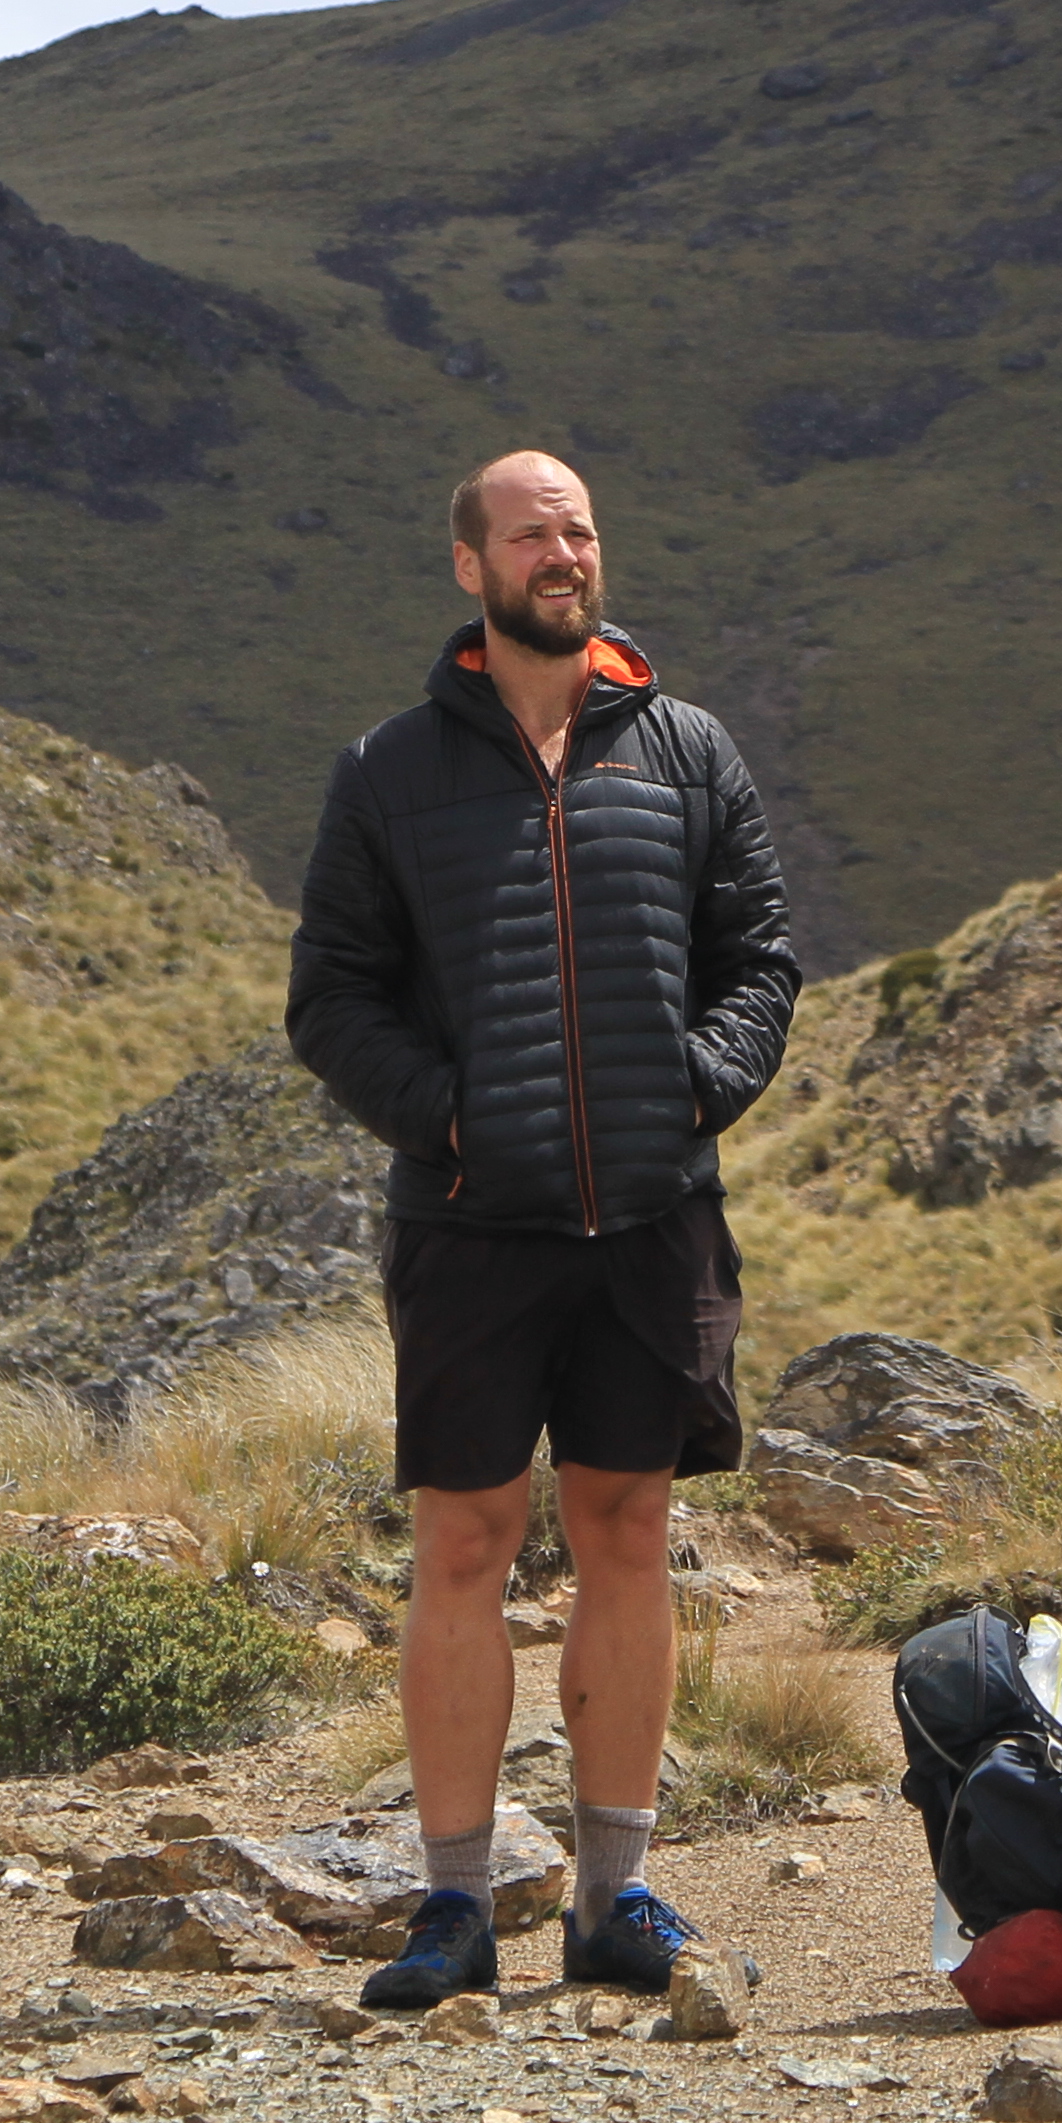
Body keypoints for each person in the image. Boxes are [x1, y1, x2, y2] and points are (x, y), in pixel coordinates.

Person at [284, 450, 802, 2009]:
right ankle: (450, 1908)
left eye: (578, 529)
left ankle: (613, 1895)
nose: (562, 554)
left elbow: (761, 958)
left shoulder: (689, 751)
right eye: (530, 535)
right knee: (463, 1541)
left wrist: (689, 1094)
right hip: (470, 1230)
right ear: (471, 568)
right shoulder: (389, 771)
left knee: (629, 1531)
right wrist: (450, 1119)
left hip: (652, 1220)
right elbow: (331, 1002)